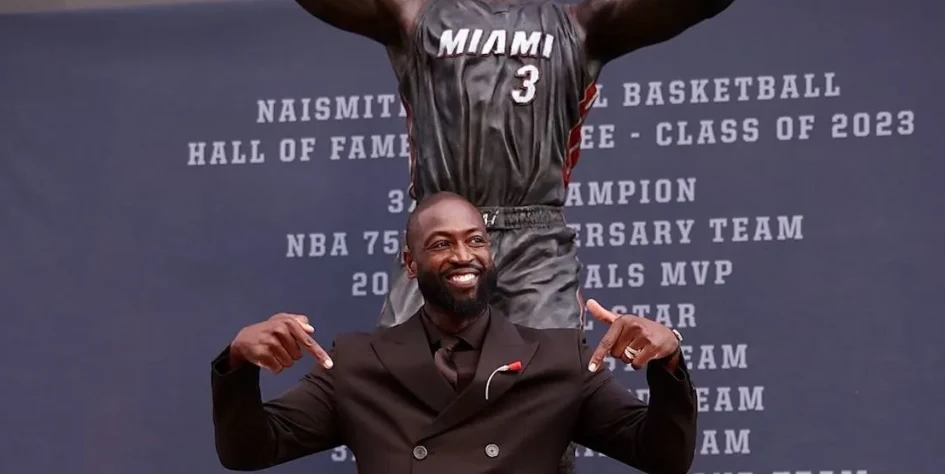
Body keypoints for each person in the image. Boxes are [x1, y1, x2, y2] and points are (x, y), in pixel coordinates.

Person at [248, 0, 737, 469]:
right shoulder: (412, 12)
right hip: (440, 241)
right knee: (389, 397)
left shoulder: (583, 26)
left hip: (536, 244)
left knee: (548, 414)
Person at [211, 192, 696, 473]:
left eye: (476, 241)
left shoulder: (558, 358)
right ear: (411, 263)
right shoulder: (357, 363)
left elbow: (663, 456)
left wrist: (669, 361)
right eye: (441, 244)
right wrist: (237, 364)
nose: (463, 256)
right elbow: (249, 450)